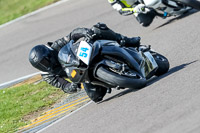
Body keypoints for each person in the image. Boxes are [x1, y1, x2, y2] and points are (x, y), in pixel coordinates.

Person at [29, 23, 141, 102]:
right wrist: (72, 85)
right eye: (41, 65)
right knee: (95, 97)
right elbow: (64, 85)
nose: (45, 65)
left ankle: (127, 41)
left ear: (48, 54)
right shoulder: (48, 76)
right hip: (82, 75)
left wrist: (85, 32)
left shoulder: (55, 47)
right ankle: (110, 79)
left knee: (98, 29)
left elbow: (72, 35)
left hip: (84, 56)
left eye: (45, 61)